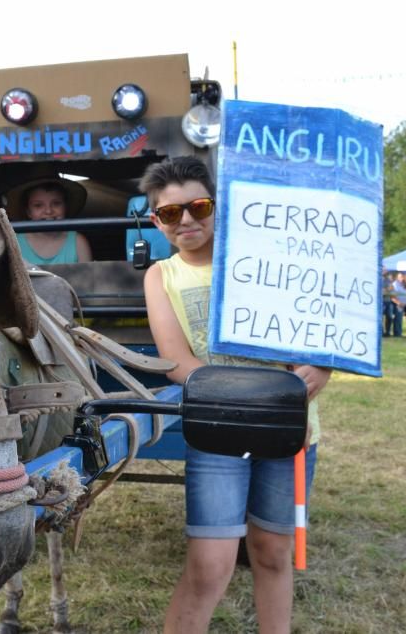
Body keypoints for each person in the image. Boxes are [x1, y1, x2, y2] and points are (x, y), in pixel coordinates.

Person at [141, 156, 331, 633]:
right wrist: (256, 393)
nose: (186, 220)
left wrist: (322, 366)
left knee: (272, 552)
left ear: (218, 206)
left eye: (198, 206)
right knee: (209, 564)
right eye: (169, 213)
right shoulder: (161, 276)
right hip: (218, 432)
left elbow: (319, 324)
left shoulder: (271, 258)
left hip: (290, 429)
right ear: (155, 220)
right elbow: (175, 361)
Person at [3, 176, 93, 265]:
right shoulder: (15, 244)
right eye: (38, 205)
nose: (48, 211)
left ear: (65, 207)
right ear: (28, 212)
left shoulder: (78, 243)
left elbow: (89, 278)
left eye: (56, 203)